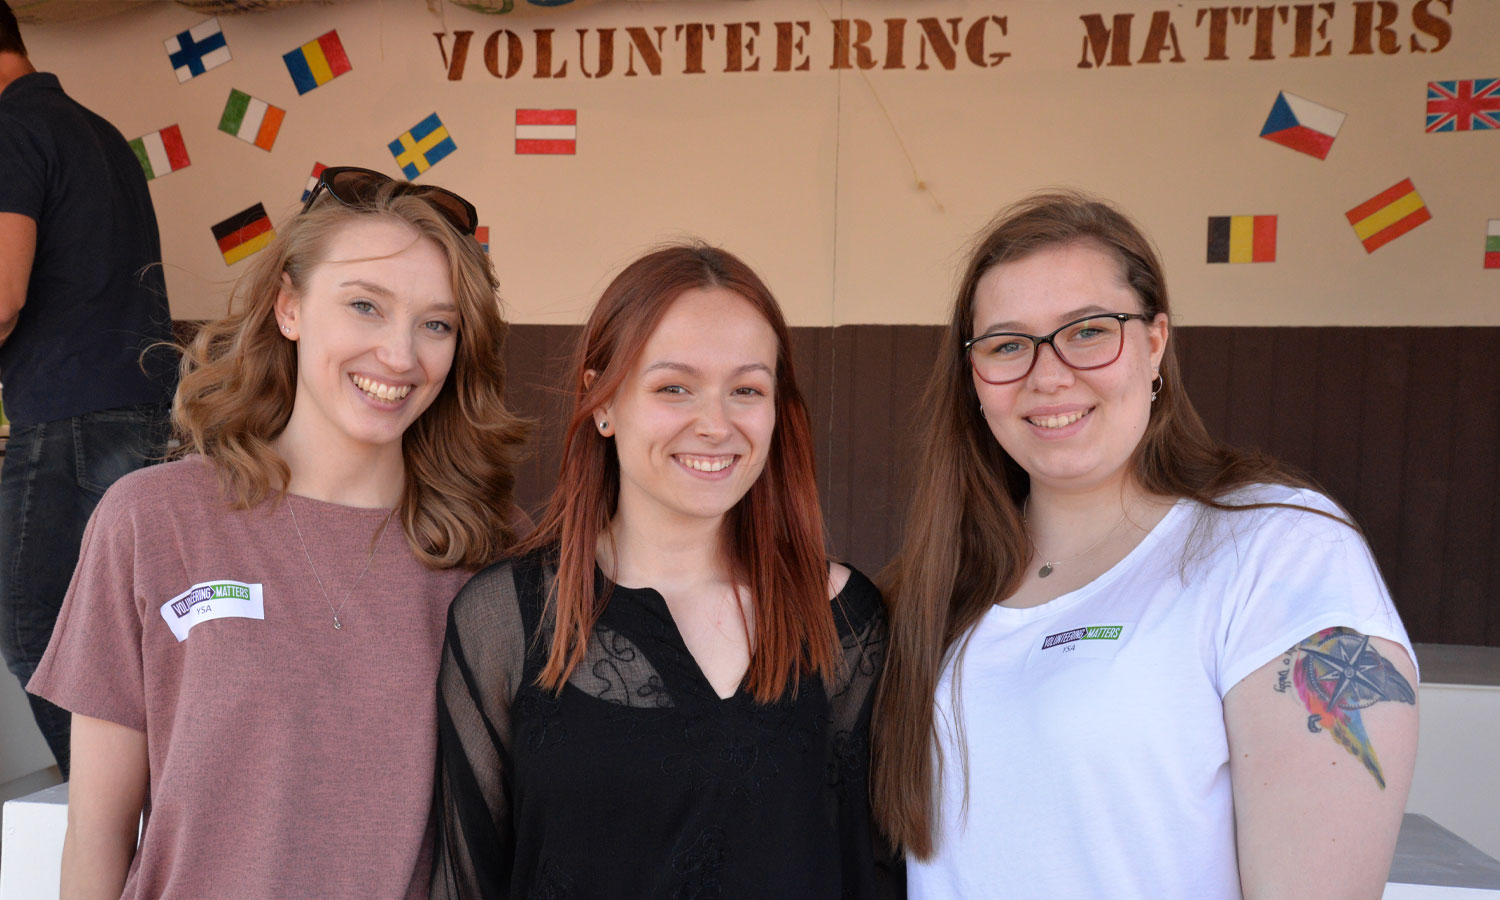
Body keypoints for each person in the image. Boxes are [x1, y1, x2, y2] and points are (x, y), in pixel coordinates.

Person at [872, 192, 1418, 899]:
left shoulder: (1276, 550)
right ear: (974, 378)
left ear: (1155, 342)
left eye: (1088, 331)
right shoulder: (934, 581)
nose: (1048, 374)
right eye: (1007, 344)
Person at [27, 167, 528, 899]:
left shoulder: (494, 550)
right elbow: (99, 834)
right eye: (365, 305)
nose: (400, 354)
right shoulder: (152, 521)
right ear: (289, 307)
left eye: (437, 323)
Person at [432, 243, 897, 899]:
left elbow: (872, 871)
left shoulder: (846, 621)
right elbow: (466, 881)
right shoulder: (506, 619)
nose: (715, 424)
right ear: (601, 402)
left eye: (746, 389)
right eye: (674, 387)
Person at [0, 0, 177, 776]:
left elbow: (1, 293)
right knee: (127, 633)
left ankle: (112, 806)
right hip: (145, 406)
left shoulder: (10, 130)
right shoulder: (98, 131)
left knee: (32, 626)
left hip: (67, 414)